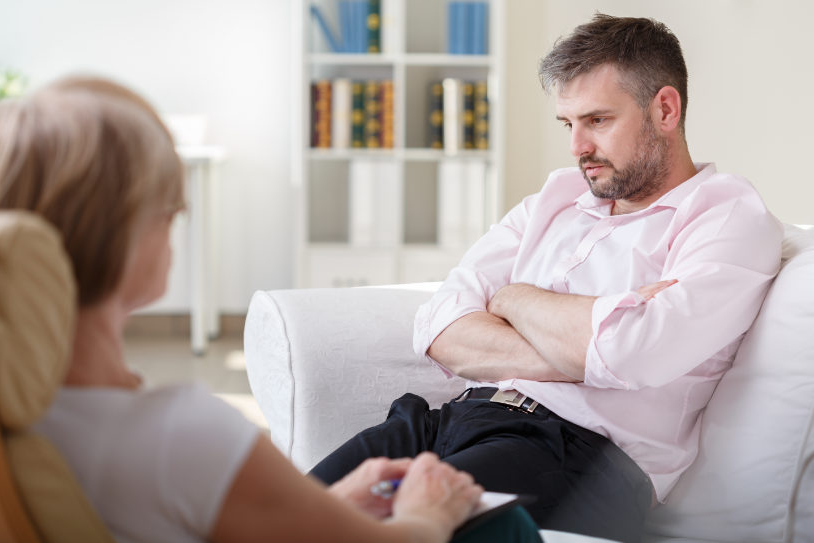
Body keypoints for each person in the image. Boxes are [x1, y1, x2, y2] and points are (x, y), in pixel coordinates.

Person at [0, 77, 542, 543]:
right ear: (130, 238)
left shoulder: (35, 418)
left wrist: (336, 507)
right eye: (169, 214)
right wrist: (428, 513)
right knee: (504, 524)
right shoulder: (177, 434)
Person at [310, 13, 784, 543]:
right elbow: (440, 329)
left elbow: (633, 352)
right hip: (446, 422)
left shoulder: (725, 215)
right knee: (278, 518)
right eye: (568, 124)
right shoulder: (552, 203)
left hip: (577, 454)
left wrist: (512, 299)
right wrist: (584, 345)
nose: (577, 146)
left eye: (598, 121)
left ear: (665, 109)